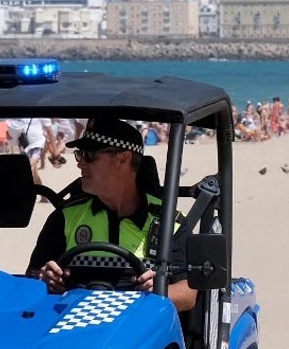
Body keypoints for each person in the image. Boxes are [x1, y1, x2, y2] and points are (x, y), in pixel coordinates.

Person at [26, 118, 197, 313]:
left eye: (89, 155)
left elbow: (188, 293)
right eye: (79, 154)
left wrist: (161, 291)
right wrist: (44, 278)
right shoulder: (65, 217)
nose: (80, 164)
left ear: (123, 159)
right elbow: (31, 277)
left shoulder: (168, 222)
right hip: (72, 329)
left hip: (137, 332)